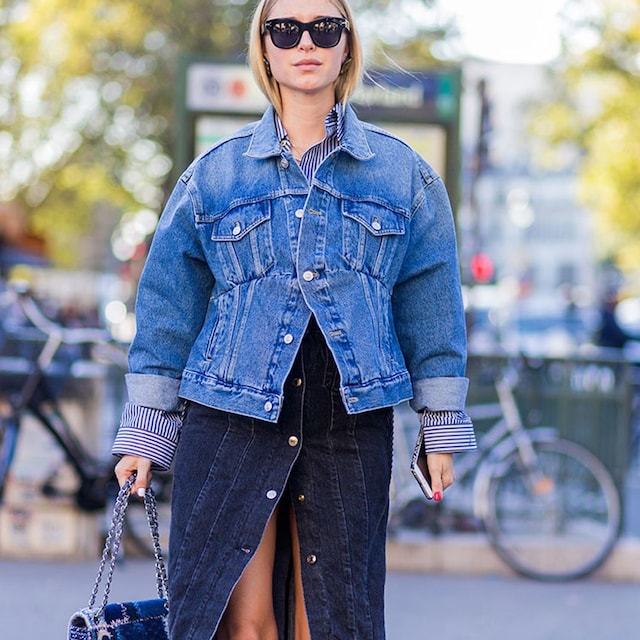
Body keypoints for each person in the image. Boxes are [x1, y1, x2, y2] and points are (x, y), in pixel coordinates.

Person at [112, 1, 476, 638]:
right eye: (286, 29)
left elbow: (431, 303)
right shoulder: (213, 176)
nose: (305, 42)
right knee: (239, 623)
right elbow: (169, 306)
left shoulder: (404, 175)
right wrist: (145, 432)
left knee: (332, 622)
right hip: (230, 413)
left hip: (349, 418)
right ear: (265, 48)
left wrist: (441, 422)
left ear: (345, 47)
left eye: (324, 28)